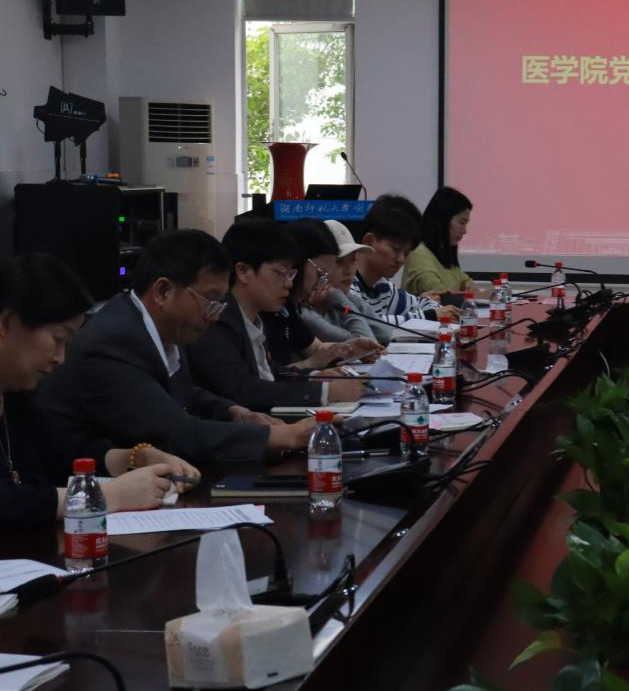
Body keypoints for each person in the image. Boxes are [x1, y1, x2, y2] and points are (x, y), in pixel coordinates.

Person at [39, 229, 320, 465]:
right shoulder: (114, 342)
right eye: (209, 300)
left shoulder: (163, 326)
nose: (215, 315)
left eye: (219, 303)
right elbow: (175, 433)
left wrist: (233, 412)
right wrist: (283, 436)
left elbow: (182, 392)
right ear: (163, 291)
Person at [0, 254, 198, 528]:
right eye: (58, 339)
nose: (61, 358)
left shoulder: (15, 399)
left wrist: (135, 458)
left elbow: (66, 455)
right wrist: (107, 496)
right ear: (6, 323)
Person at [189, 219, 376, 412]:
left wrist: (315, 377)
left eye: (291, 274)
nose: (289, 283)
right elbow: (245, 390)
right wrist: (327, 392)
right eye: (280, 273)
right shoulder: (218, 320)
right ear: (243, 271)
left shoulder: (252, 317)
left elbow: (270, 373)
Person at [351, 195, 457, 323]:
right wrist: (428, 316)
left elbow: (425, 303)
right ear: (369, 241)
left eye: (406, 253)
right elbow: (364, 323)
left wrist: (430, 313)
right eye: (395, 249)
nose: (401, 259)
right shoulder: (345, 283)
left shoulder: (383, 286)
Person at [301, 220, 380, 343]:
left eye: (353, 260)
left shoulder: (340, 301)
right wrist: (337, 296)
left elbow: (385, 333)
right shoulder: (303, 312)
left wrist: (344, 299)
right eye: (339, 262)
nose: (348, 270)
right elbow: (366, 341)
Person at [403, 186, 475, 296]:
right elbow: (441, 295)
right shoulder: (418, 254)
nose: (464, 231)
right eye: (461, 222)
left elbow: (465, 280)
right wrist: (472, 295)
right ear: (442, 220)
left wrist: (469, 286)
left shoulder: (443, 254)